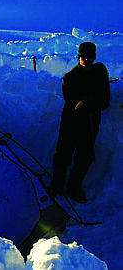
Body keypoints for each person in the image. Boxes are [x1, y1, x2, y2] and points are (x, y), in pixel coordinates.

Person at [50, 42, 110, 203]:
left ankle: (73, 188)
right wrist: (89, 102)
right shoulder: (69, 78)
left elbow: (105, 101)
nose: (86, 59)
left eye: (90, 56)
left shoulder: (100, 72)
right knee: (63, 155)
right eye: (83, 56)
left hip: (90, 124)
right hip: (71, 123)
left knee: (84, 157)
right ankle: (56, 187)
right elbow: (74, 105)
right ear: (78, 57)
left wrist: (87, 100)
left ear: (94, 57)